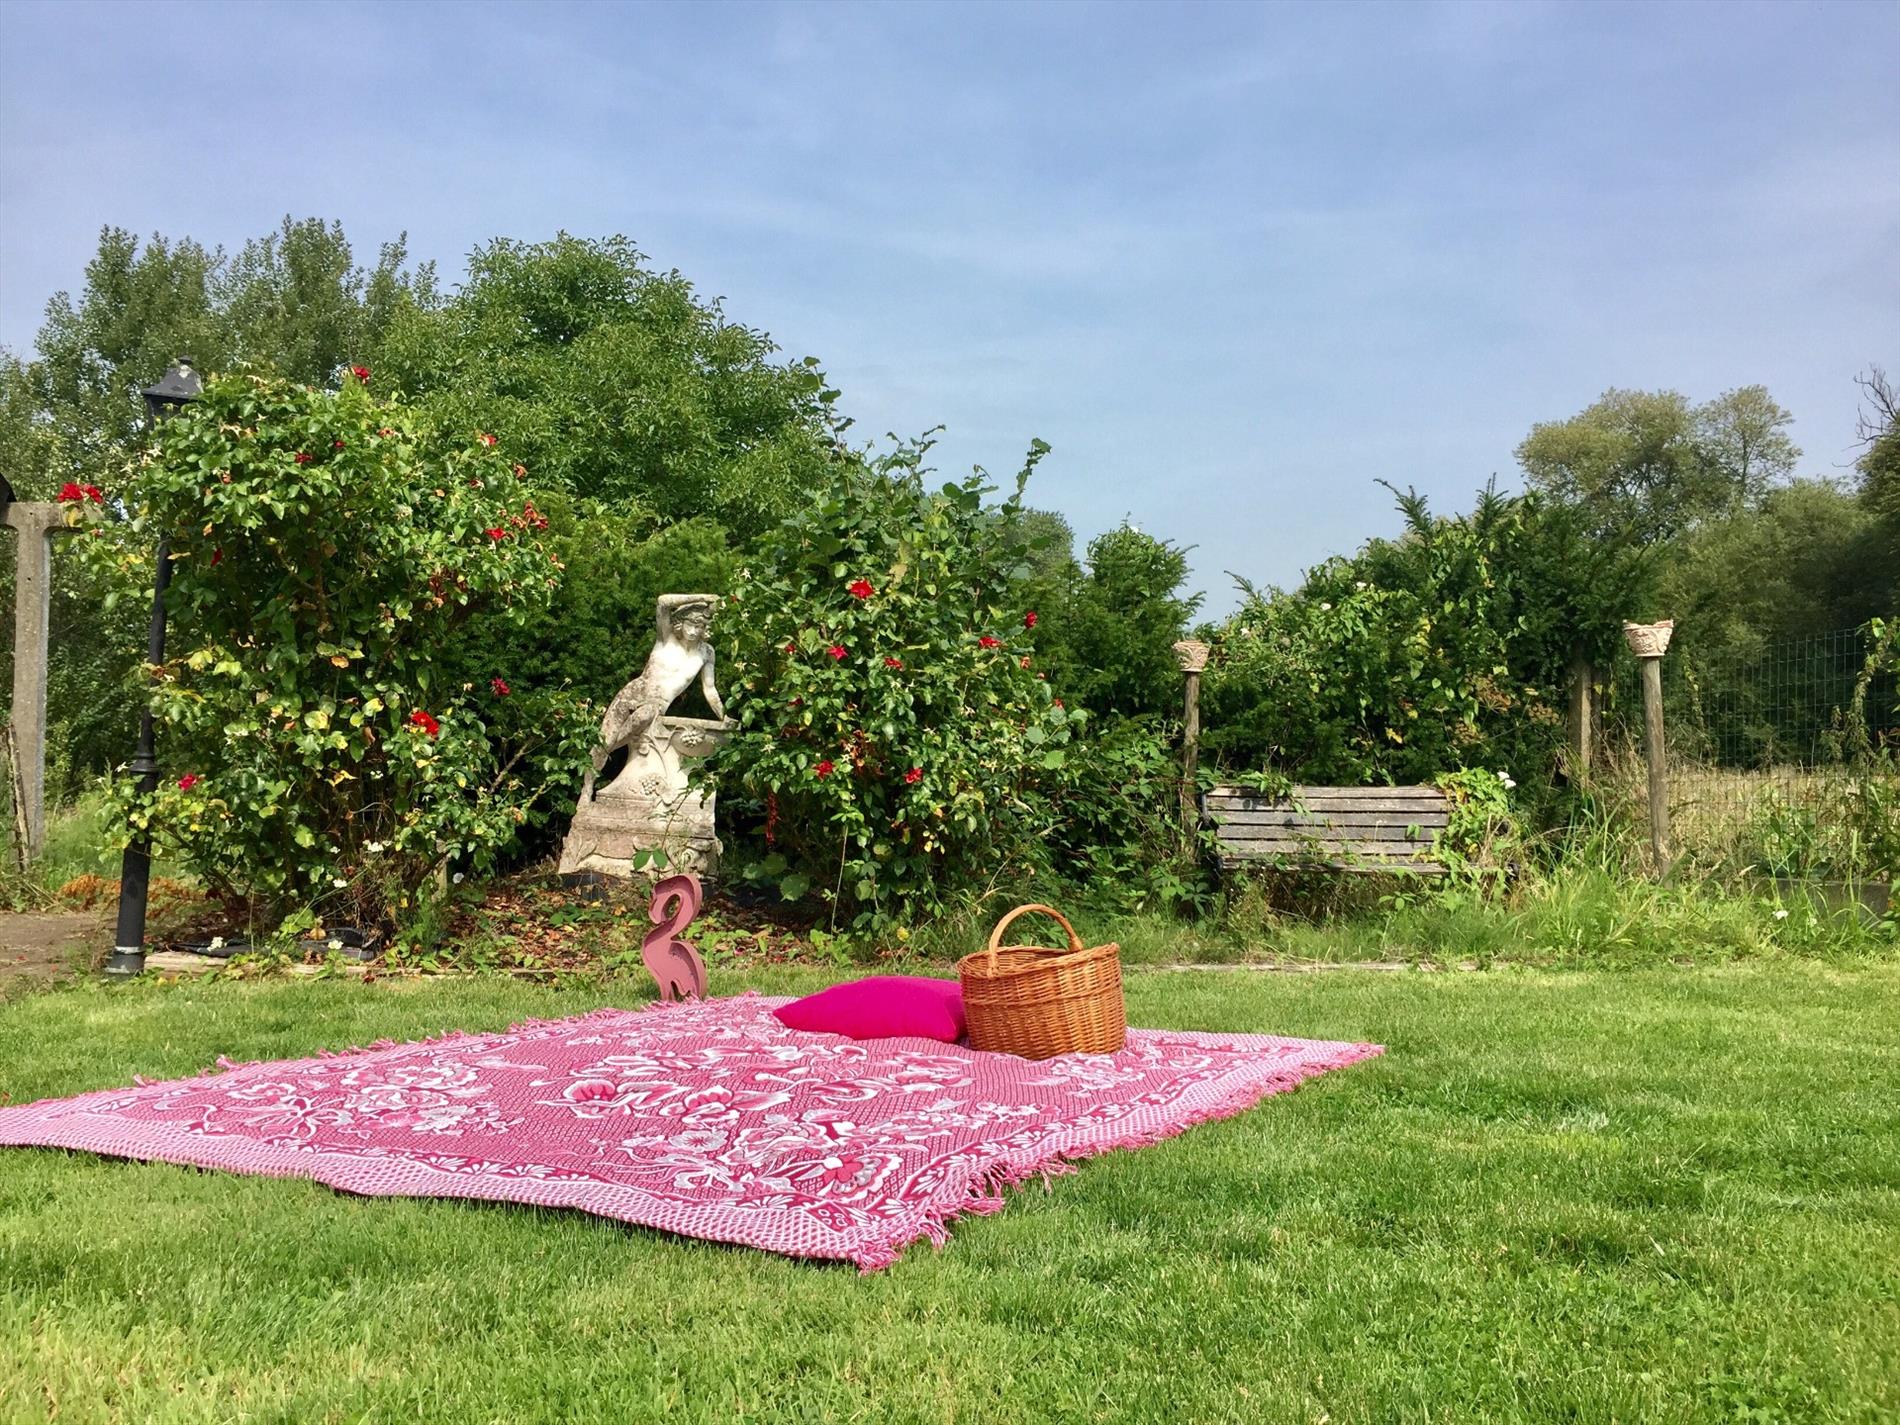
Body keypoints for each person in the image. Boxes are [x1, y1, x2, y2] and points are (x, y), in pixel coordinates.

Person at [583, 594, 725, 800]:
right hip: (632, 693)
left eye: (699, 626)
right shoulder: (666, 638)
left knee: (633, 725)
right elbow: (663, 602)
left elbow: (710, 689)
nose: (694, 631)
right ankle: (586, 789)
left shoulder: (706, 653)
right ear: (680, 623)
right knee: (604, 737)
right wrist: (700, 598)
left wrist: (723, 715)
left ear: (705, 628)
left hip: (656, 705)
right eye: (690, 625)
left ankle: (607, 750)